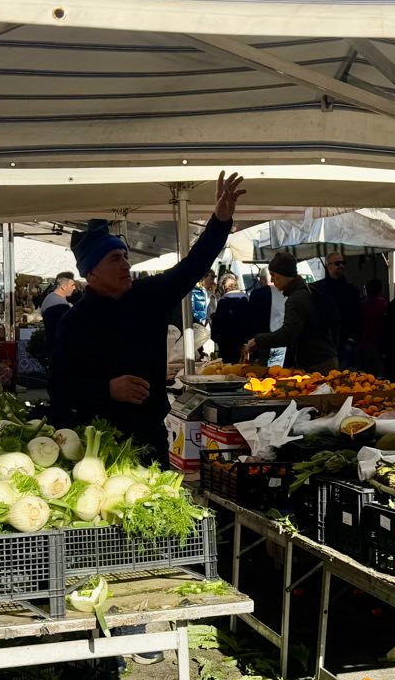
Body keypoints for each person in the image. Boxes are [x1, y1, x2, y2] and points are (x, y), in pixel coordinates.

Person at [50, 172, 246, 464]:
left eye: (125, 256)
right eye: (115, 258)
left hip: (151, 437)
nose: (126, 264)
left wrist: (220, 221)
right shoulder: (73, 322)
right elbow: (59, 389)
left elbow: (192, 267)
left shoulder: (147, 297)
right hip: (96, 448)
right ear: (91, 272)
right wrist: (106, 390)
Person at [245, 252, 338, 373]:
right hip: (325, 359)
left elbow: (288, 334)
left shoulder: (296, 299)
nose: (272, 280)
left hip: (317, 365)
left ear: (284, 274)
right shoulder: (308, 291)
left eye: (274, 275)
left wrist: (258, 340)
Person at [314, 252, 360, 367]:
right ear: (328, 266)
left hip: (345, 339)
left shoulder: (351, 290)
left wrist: (353, 337)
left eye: (343, 263)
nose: (341, 266)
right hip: (325, 342)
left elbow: (358, 314)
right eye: (337, 263)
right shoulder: (318, 289)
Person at [247, 269, 287, 368]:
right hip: (281, 339)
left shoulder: (257, 294)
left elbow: (251, 319)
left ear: (262, 279)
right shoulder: (286, 293)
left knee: (261, 373)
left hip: (261, 341)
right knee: (278, 372)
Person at [209, 273, 252, 363]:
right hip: (245, 345)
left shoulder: (224, 301)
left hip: (227, 347)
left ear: (223, 287)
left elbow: (218, 329)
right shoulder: (246, 298)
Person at [359, 277, 389, 375]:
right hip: (379, 344)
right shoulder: (385, 305)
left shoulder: (361, 305)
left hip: (363, 344)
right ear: (380, 290)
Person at [41, 271, 77, 349]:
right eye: (72, 285)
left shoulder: (51, 297)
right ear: (63, 287)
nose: (74, 288)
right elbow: (68, 332)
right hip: (60, 351)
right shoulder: (59, 304)